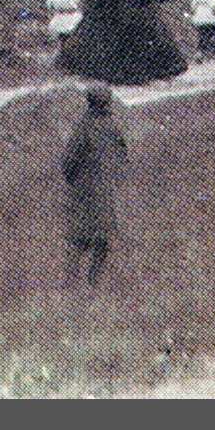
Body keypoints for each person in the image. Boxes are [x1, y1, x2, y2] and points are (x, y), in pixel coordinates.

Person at [60, 85, 128, 287]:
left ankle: (72, 283)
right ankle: (93, 282)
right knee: (102, 240)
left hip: (84, 192)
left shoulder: (84, 127)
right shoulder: (113, 127)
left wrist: (74, 181)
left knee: (79, 240)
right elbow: (123, 156)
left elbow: (68, 162)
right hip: (105, 192)